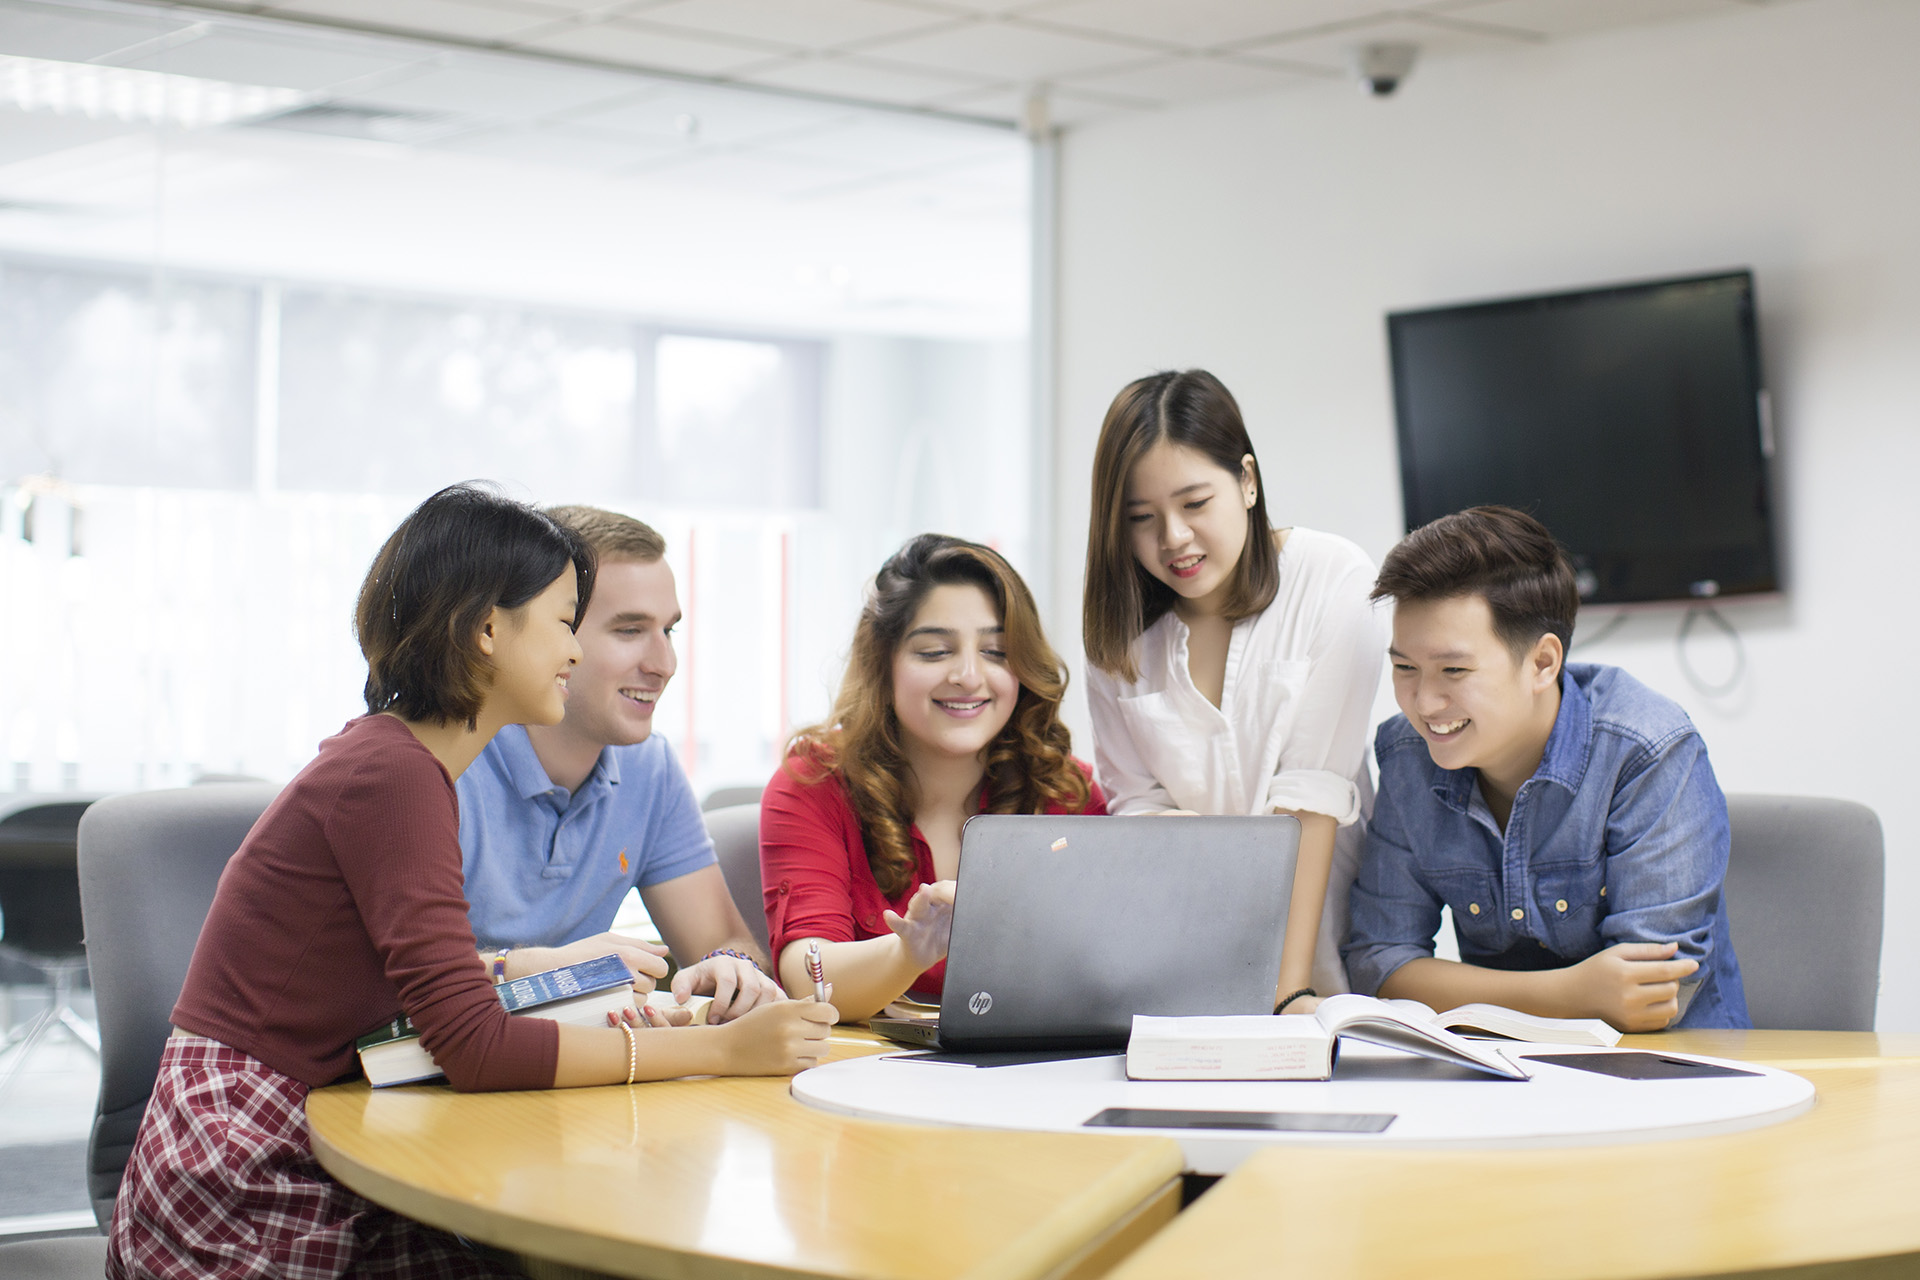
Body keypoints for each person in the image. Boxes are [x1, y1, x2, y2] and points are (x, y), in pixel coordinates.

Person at [108, 485, 834, 1280]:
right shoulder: (397, 779)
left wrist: (525, 966)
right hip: (250, 1159)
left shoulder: (393, 761)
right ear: (489, 630)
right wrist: (721, 1049)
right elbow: (476, 1050)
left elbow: (408, 976)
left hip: (298, 1127)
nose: (572, 653)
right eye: (565, 623)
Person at [1344, 505, 1750, 1031]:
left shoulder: (1648, 749)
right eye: (1404, 668)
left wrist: (1458, 991)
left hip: (1674, 1072)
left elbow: (1649, 996)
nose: (1423, 703)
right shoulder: (1407, 755)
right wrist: (1573, 991)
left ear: (1542, 663)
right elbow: (1378, 965)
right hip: (1507, 1074)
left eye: (1454, 670)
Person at [1081, 369, 1387, 1013]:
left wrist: (1288, 991)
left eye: (1195, 504)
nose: (1174, 539)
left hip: (1322, 961)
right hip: (1181, 963)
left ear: (1247, 481)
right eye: (1142, 518)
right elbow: (1136, 807)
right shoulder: (1119, 636)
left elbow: (1312, 800)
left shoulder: (1331, 577)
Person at [759, 534, 1106, 1021]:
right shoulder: (814, 783)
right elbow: (804, 974)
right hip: (865, 1073)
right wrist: (910, 951)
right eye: (935, 651)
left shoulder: (1068, 793)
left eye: (997, 652)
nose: (968, 675)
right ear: (885, 662)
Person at [457, 506, 780, 1022]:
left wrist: (731, 969)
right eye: (630, 630)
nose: (664, 665)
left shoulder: (649, 767)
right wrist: (552, 969)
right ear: (549, 633)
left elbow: (724, 943)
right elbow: (389, 974)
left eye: (668, 631)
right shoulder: (442, 760)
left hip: (559, 1067)